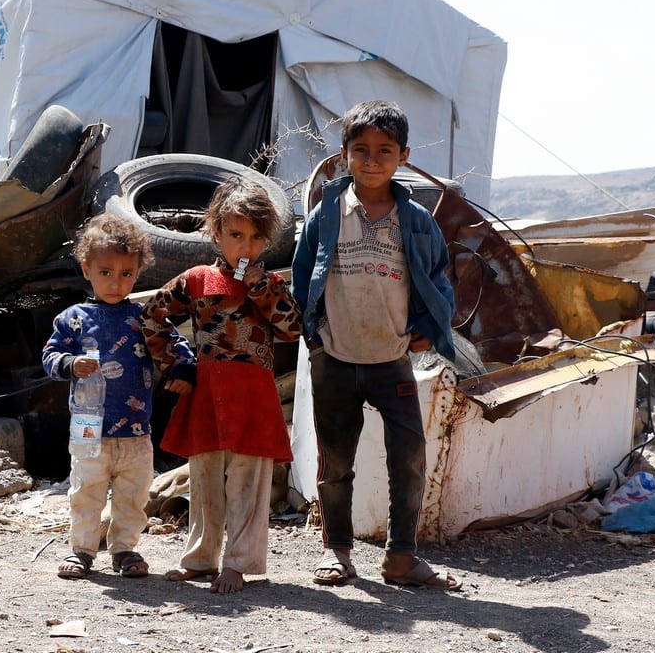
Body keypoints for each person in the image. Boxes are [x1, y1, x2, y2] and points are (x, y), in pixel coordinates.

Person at [291, 99, 461, 590]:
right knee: (336, 461)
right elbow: (305, 276)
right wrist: (314, 336)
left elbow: (437, 277)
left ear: (402, 156)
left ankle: (401, 558)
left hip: (391, 360)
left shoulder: (416, 221)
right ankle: (337, 552)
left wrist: (431, 326)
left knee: (408, 458)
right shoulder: (328, 213)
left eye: (383, 150)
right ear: (344, 153)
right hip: (336, 357)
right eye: (360, 149)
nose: (370, 160)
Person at [142, 176, 302, 594]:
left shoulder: (272, 286)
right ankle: (199, 559)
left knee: (249, 482)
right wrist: (177, 364)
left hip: (254, 395)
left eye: (254, 238)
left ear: (266, 242)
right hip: (207, 393)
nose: (244, 247)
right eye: (235, 235)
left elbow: (291, 329)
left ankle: (239, 563)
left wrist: (263, 288)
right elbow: (150, 318)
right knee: (205, 479)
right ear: (215, 233)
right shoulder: (196, 280)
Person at [42, 214, 195, 581]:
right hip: (89, 426)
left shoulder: (145, 318)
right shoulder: (73, 318)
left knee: (134, 494)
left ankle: (126, 550)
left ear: (138, 271)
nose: (116, 281)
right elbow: (49, 356)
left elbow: (178, 347)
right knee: (86, 490)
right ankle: (82, 550)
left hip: (137, 430)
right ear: (87, 269)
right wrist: (70, 363)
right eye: (106, 272)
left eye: (126, 273)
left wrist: (183, 372)